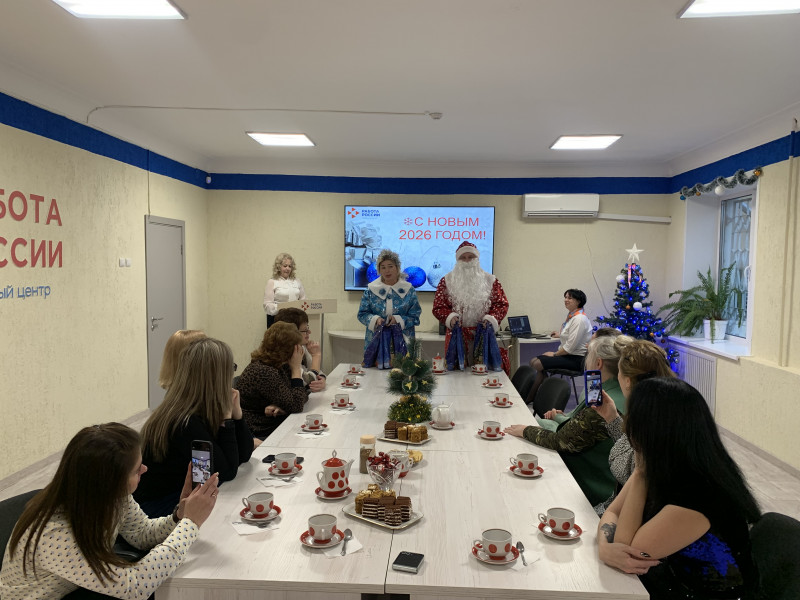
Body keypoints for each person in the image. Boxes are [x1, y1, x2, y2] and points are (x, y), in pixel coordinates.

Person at [0, 423, 218, 600]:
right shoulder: (54, 534)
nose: (145, 469)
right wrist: (190, 523)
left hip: (74, 588)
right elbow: (135, 586)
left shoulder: (113, 496)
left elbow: (142, 533)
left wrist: (179, 515)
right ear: (109, 481)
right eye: (136, 470)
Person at [597, 377, 760, 599]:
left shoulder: (700, 495)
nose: (626, 427)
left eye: (632, 419)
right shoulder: (670, 466)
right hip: (669, 583)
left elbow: (628, 552)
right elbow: (613, 512)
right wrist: (605, 548)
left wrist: (641, 473)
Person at [504, 334, 633, 505]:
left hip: (589, 489)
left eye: (588, 356)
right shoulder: (621, 396)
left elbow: (561, 441)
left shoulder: (605, 404)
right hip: (606, 482)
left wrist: (524, 430)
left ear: (598, 363)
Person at [135, 338, 253, 517]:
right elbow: (225, 473)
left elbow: (243, 455)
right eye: (231, 368)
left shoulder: (199, 409)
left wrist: (237, 416)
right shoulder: (184, 422)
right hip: (158, 509)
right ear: (217, 376)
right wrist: (226, 420)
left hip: (178, 495)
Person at [591, 339, 676, 515]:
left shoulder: (648, 422)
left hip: (630, 515)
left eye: (619, 372)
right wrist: (612, 419)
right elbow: (631, 445)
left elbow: (630, 464)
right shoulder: (663, 408)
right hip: (621, 508)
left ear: (628, 381)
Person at [432, 241, 509, 373]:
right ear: (457, 260)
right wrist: (450, 317)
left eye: (471, 257)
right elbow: (438, 307)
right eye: (463, 258)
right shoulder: (446, 281)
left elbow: (501, 304)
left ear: (477, 259)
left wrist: (490, 318)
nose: (467, 261)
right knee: (457, 374)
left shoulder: (491, 280)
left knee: (483, 373)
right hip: (457, 336)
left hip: (484, 335)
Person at [236, 322, 310, 439]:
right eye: (298, 347)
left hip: (274, 424)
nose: (300, 351)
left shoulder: (279, 365)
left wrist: (283, 407)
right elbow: (297, 403)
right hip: (259, 432)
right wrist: (296, 368)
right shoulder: (263, 371)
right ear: (288, 349)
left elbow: (302, 393)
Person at [526, 289, 593, 403]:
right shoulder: (572, 316)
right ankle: (540, 396)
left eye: (570, 298)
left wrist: (554, 354)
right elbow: (571, 336)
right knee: (533, 362)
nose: (566, 300)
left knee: (537, 364)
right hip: (568, 355)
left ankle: (537, 396)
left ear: (578, 301)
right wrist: (560, 335)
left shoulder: (579, 319)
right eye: (565, 297)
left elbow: (570, 347)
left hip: (576, 359)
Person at [357, 249, 421, 355]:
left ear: (397, 268)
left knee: (403, 365)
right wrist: (375, 320)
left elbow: (415, 316)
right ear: (379, 270)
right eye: (383, 267)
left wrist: (398, 320)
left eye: (390, 266)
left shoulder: (408, 290)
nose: (387, 271)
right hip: (376, 342)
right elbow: (362, 314)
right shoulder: (371, 290)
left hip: (403, 342)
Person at [274, 307, 327, 392]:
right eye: (305, 330)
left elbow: (318, 373)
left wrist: (322, 380)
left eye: (308, 328)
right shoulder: (285, 354)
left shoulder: (301, 347)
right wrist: (316, 356)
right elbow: (307, 382)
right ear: (291, 333)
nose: (309, 332)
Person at [263, 252, 306, 327]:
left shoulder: (297, 281)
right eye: (285, 266)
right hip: (278, 320)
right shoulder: (272, 282)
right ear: (279, 267)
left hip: (295, 320)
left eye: (290, 266)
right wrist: (282, 309)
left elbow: (304, 300)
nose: (287, 268)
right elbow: (267, 305)